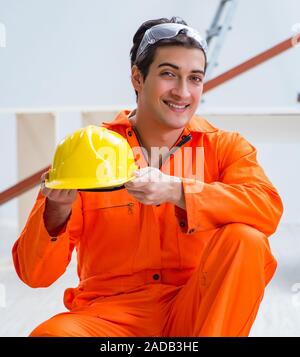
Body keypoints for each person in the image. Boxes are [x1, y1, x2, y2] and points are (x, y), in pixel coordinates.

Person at [12, 16, 283, 337]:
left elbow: (266, 208)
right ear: (137, 78)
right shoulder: (90, 150)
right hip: (111, 318)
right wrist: (56, 212)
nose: (183, 92)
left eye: (195, 78)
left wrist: (178, 191)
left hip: (199, 313)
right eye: (168, 74)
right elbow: (34, 275)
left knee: (246, 239)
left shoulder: (224, 147)